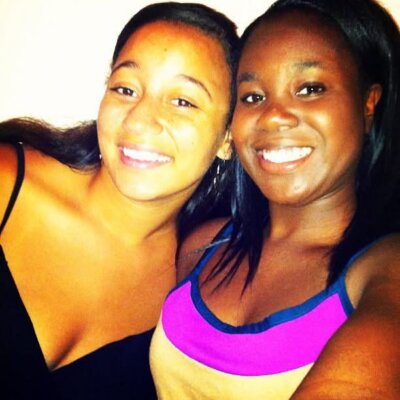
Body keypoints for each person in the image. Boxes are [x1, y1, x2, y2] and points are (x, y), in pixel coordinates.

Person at [150, 0, 400, 398]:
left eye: (310, 89)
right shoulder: (203, 246)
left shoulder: (384, 270)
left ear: (368, 103)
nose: (272, 116)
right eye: (252, 97)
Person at [0, 2, 238, 399]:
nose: (140, 120)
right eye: (126, 89)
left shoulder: (196, 291)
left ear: (227, 138)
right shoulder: (8, 184)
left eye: (183, 101)